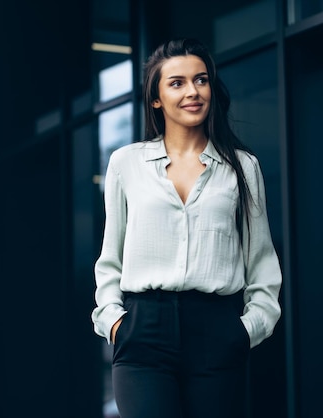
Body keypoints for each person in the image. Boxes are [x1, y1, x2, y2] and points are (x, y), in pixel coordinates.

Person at [91, 38, 282, 418]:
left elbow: (261, 260)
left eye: (201, 80)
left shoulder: (242, 168)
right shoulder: (125, 164)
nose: (193, 91)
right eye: (177, 83)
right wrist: (114, 323)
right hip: (142, 332)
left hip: (217, 331)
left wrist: (247, 330)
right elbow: (110, 257)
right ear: (156, 99)